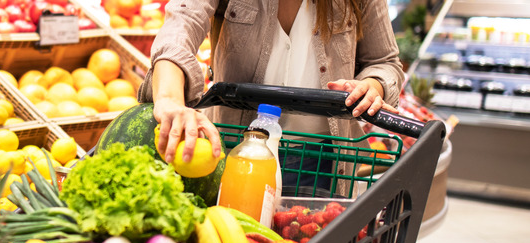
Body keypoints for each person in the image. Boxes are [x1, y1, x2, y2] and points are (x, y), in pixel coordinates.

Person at [137, 0, 404, 192]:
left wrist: (372, 86)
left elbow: (385, 61)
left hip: (320, 161)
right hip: (232, 153)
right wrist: (170, 99)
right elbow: (181, 24)